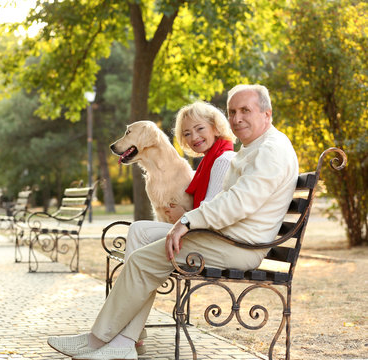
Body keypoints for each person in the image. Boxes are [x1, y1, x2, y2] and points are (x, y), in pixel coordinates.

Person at [47, 84, 299, 360]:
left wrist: (187, 221)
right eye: (233, 112)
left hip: (240, 245)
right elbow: (227, 200)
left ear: (267, 113)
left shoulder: (271, 150)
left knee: (143, 260)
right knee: (141, 233)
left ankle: (102, 340)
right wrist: (189, 221)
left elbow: (239, 202)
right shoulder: (255, 148)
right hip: (229, 237)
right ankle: (128, 335)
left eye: (245, 111)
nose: (237, 118)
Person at [124, 100, 236, 258]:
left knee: (139, 232)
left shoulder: (224, 160)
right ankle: (134, 278)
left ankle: (132, 279)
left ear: (216, 128)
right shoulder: (207, 164)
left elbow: (212, 211)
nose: (194, 137)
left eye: (200, 128)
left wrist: (184, 217)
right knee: (140, 235)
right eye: (187, 133)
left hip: (213, 243)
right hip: (199, 234)